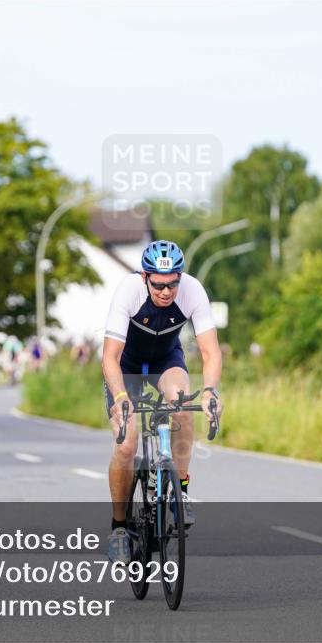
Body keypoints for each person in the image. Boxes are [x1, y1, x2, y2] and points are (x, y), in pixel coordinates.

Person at [102, 240, 224, 564]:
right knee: (127, 445)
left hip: (166, 360)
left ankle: (179, 493)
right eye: (159, 284)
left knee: (183, 405)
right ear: (145, 277)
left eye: (173, 283)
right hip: (126, 366)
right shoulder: (128, 291)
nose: (167, 292)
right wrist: (121, 397)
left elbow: (211, 352)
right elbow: (109, 357)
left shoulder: (193, 291)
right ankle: (118, 527)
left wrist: (211, 390)